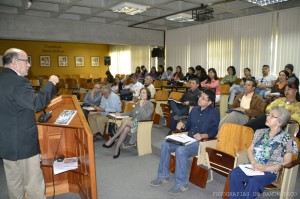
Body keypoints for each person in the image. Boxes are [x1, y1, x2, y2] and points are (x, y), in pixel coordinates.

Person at [0, 48, 59, 199]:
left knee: (14, 184)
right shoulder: (19, 81)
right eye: (26, 61)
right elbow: (37, 103)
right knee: (34, 185)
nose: (29, 64)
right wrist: (51, 83)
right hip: (23, 144)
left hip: (6, 143)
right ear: (14, 62)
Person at [150, 89, 220, 195]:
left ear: (209, 102)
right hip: (188, 139)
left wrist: (202, 135)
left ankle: (182, 183)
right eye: (200, 96)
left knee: (180, 150)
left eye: (203, 98)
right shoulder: (195, 109)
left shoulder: (214, 112)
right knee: (165, 144)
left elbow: (214, 130)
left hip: (202, 143)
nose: (199, 99)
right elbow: (188, 125)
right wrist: (182, 124)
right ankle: (163, 176)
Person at [229, 106, 298, 199]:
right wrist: (254, 163)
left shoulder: (288, 139)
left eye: (272, 116)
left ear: (280, 122)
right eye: (268, 114)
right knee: (234, 174)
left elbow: (287, 161)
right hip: (253, 166)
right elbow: (250, 150)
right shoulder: (259, 132)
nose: (267, 117)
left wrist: (266, 168)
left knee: (254, 182)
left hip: (270, 171)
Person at [102, 88, 154, 158]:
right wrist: (121, 114)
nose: (142, 94)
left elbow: (145, 116)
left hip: (142, 124)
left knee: (126, 121)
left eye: (144, 93)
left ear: (148, 94)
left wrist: (141, 106)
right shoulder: (139, 102)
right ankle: (117, 149)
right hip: (135, 123)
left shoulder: (150, 105)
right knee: (126, 128)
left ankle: (113, 139)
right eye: (141, 93)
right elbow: (132, 112)